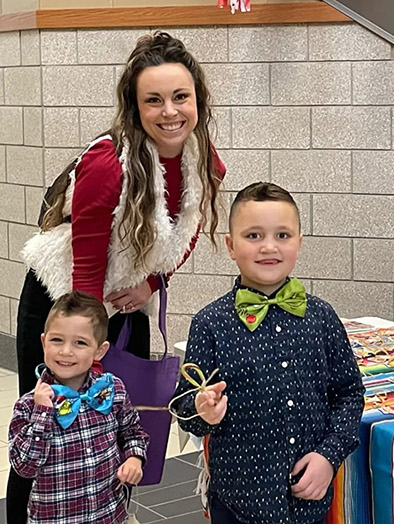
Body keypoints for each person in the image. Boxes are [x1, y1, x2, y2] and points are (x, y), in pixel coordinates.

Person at [10, 31, 225, 520]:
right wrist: (85, 356)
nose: (169, 111)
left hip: (125, 303)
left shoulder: (201, 161)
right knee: (49, 428)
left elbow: (185, 234)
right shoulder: (109, 164)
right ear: (135, 106)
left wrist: (150, 284)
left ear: (197, 99)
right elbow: (86, 266)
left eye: (180, 97)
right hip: (64, 302)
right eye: (154, 100)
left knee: (111, 429)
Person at [173, 183, 365, 523]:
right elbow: (184, 406)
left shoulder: (322, 318)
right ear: (231, 246)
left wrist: (328, 456)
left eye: (282, 235)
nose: (269, 247)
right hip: (238, 504)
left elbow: (349, 393)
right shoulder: (209, 324)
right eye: (253, 236)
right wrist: (202, 410)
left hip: (309, 502)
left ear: (299, 243)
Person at [9, 292, 149, 523]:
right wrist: (43, 414)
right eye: (57, 340)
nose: (65, 351)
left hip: (109, 516)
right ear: (43, 342)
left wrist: (134, 457)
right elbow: (24, 467)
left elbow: (133, 432)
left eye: (80, 343)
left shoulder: (112, 390)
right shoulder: (28, 406)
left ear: (99, 350)